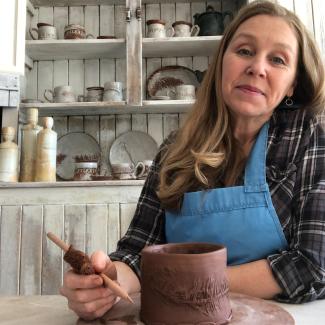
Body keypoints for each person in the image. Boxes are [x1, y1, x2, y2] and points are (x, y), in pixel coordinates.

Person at [60, 0, 325, 320]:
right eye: (244, 51)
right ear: (221, 62)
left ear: (293, 83)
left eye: (278, 59)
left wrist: (188, 283)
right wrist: (108, 280)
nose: (257, 67)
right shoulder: (175, 149)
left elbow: (313, 263)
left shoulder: (311, 137)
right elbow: (136, 254)